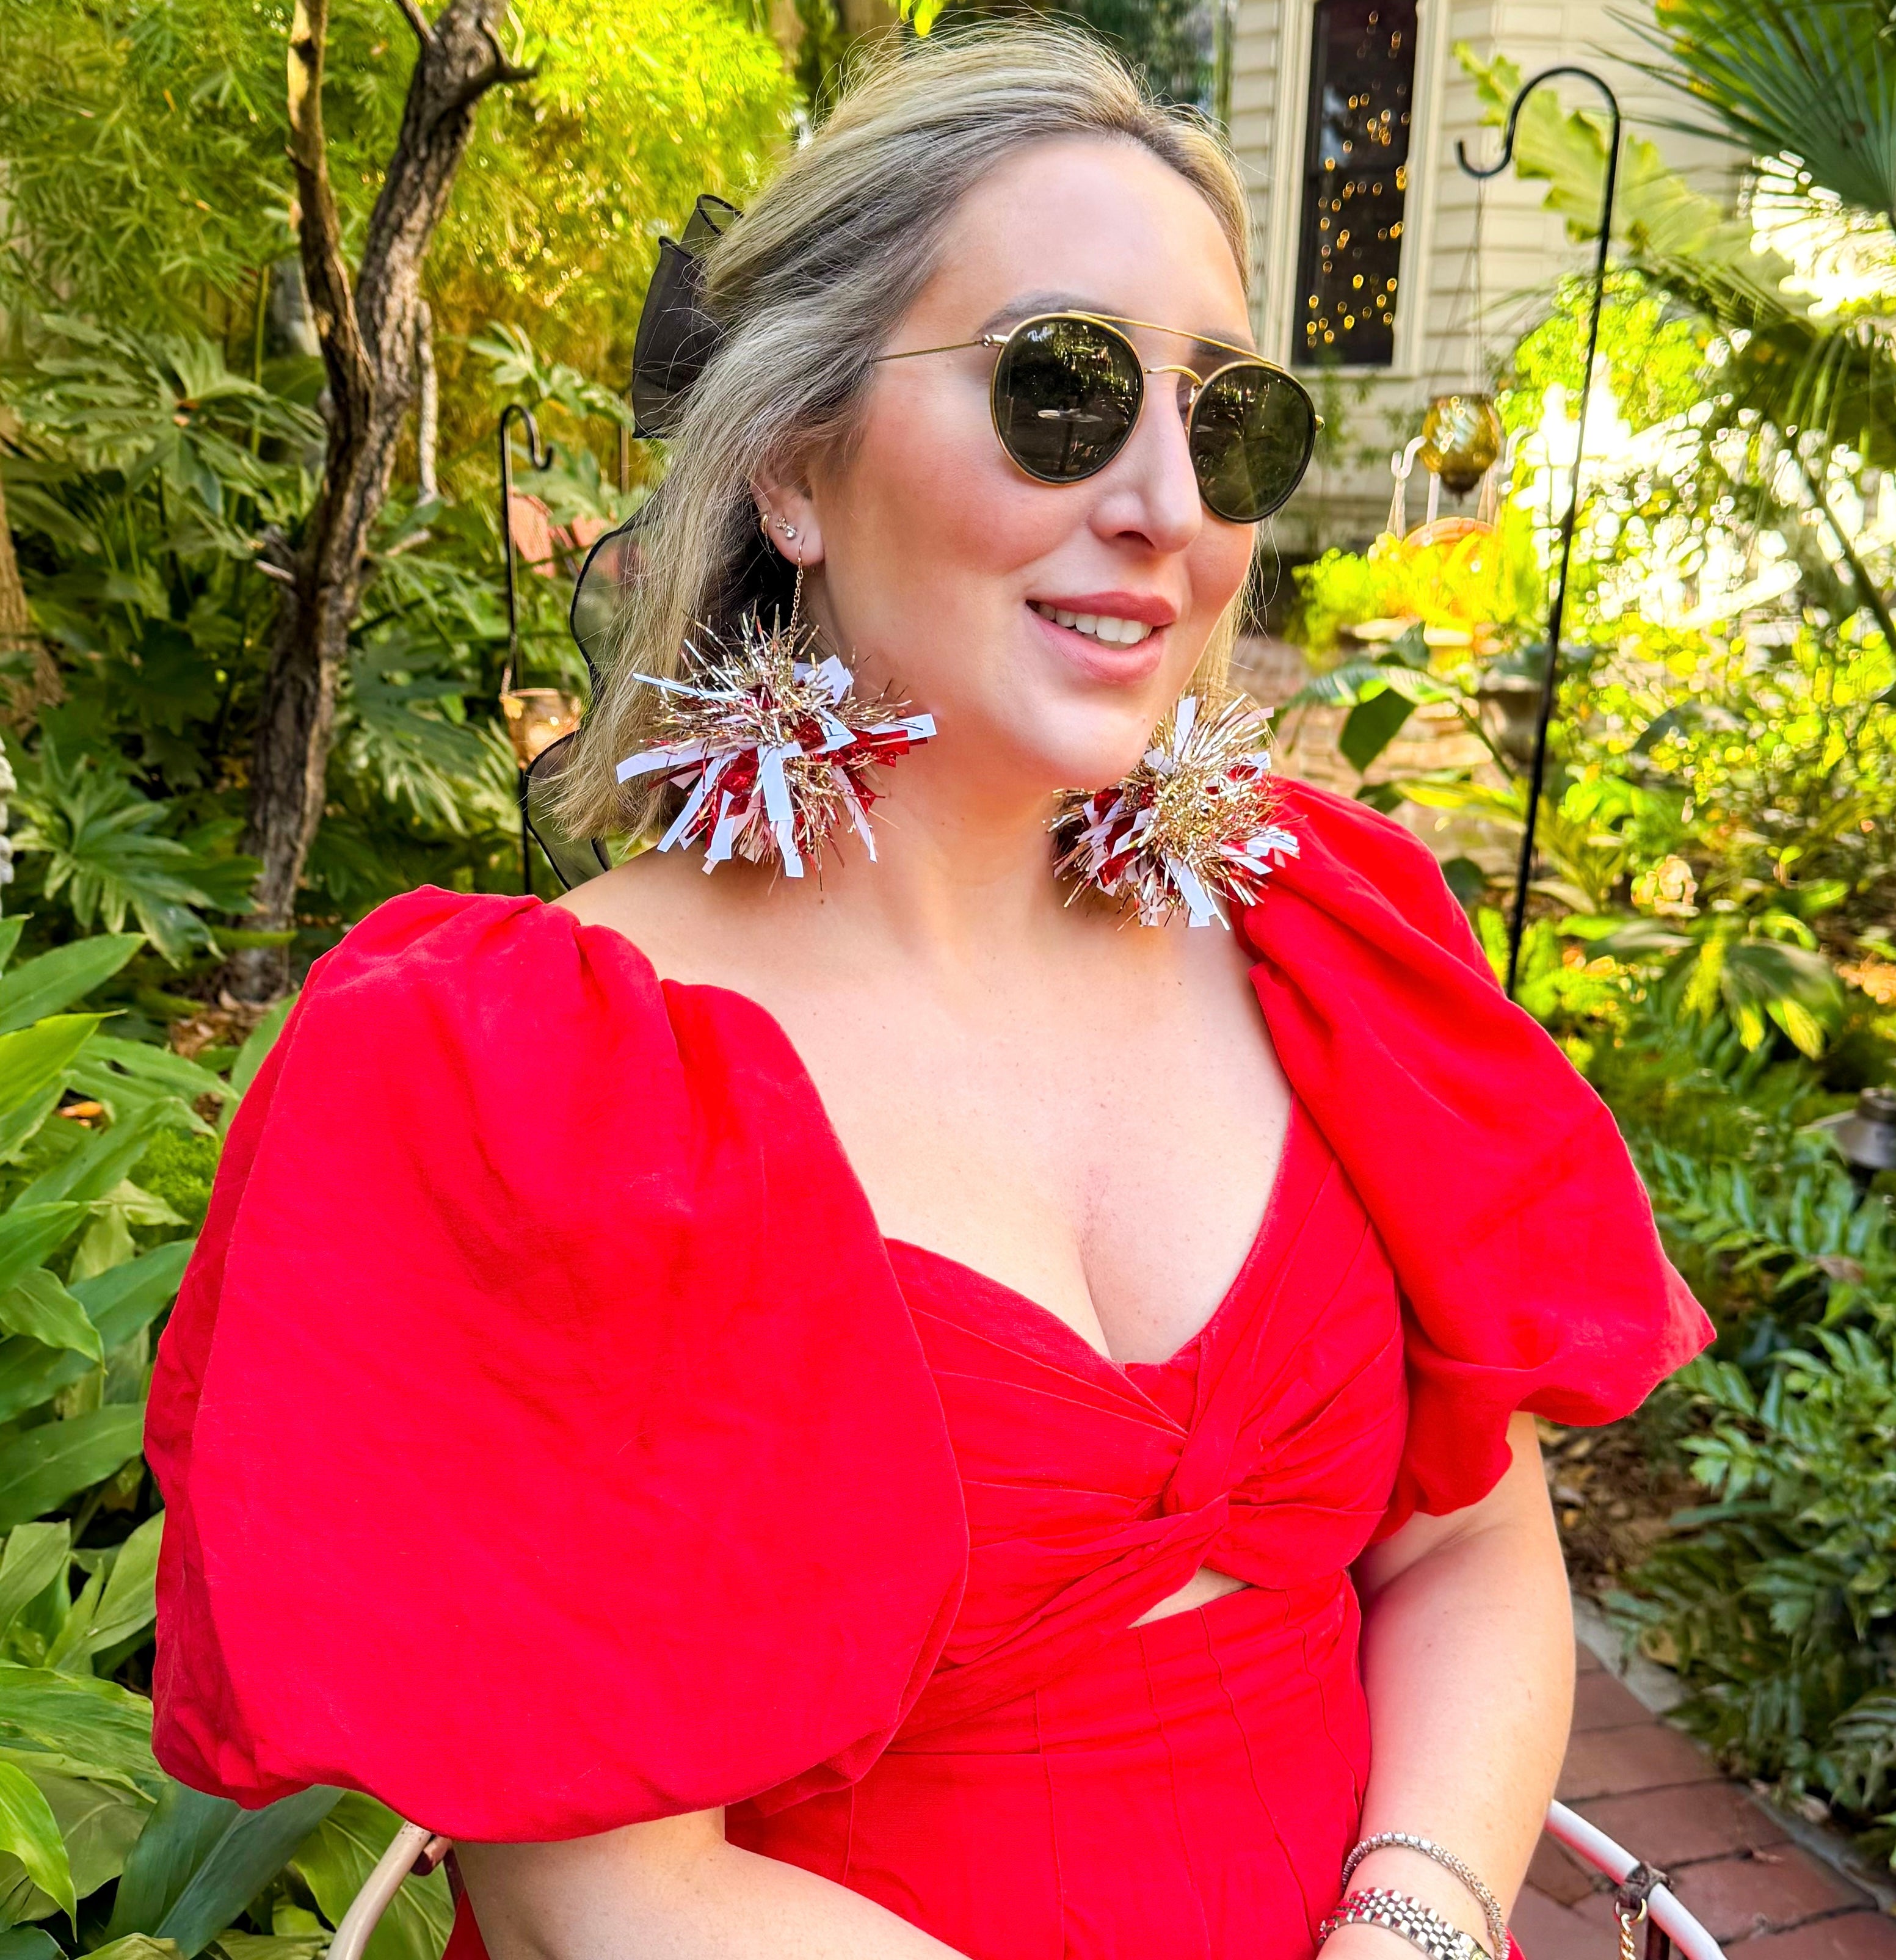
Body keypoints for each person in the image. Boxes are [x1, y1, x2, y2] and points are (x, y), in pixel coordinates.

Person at [147, 27, 1712, 1960]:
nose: (1163, 503)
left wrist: (1416, 1926)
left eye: (1228, 423)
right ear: (796, 466)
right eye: (1060, 392)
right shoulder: (536, 1073)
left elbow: (1469, 1537)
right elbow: (598, 1876)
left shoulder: (1317, 936)